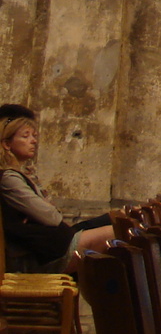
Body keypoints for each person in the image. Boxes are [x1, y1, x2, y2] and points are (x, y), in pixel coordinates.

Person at [0, 112, 116, 273]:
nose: (33, 141)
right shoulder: (8, 178)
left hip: (49, 246)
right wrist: (42, 212)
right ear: (6, 144)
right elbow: (52, 217)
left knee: (121, 229)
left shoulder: (20, 174)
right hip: (36, 256)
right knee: (116, 234)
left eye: (34, 136)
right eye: (25, 136)